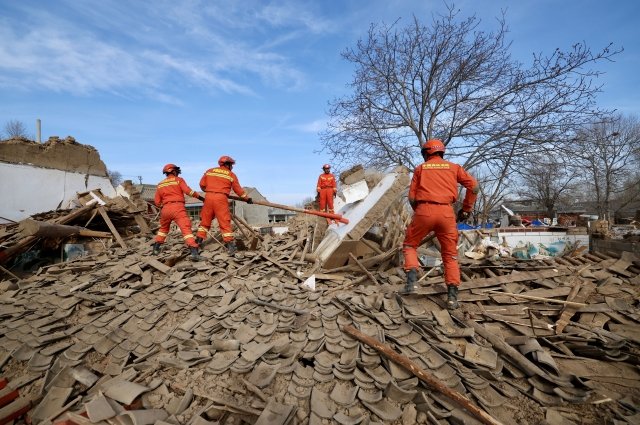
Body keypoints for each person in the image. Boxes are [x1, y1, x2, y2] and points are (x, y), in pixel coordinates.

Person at [401, 139, 479, 309]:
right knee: (450, 255)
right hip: (446, 213)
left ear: (426, 153)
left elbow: (412, 198)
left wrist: (421, 213)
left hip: (424, 210)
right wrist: (466, 209)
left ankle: (412, 283)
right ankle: (452, 298)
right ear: (441, 152)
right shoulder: (454, 167)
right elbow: (473, 187)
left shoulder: (420, 169)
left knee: (409, 245)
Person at [196, 156, 252, 255]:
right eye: (231, 165)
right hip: (221, 199)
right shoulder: (231, 175)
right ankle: (230, 247)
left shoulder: (209, 171)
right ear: (228, 164)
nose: (232, 167)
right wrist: (247, 199)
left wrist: (210, 190)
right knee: (224, 222)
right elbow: (238, 189)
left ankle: (197, 244)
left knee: (205, 222)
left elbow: (202, 184)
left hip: (208, 197)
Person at [153, 164, 204, 261]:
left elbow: (157, 201)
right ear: (174, 171)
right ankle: (194, 252)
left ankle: (155, 249)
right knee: (186, 229)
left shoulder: (160, 184)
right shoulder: (178, 180)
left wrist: (163, 207)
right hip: (177, 207)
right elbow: (188, 191)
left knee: (163, 230)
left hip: (165, 209)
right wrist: (200, 197)